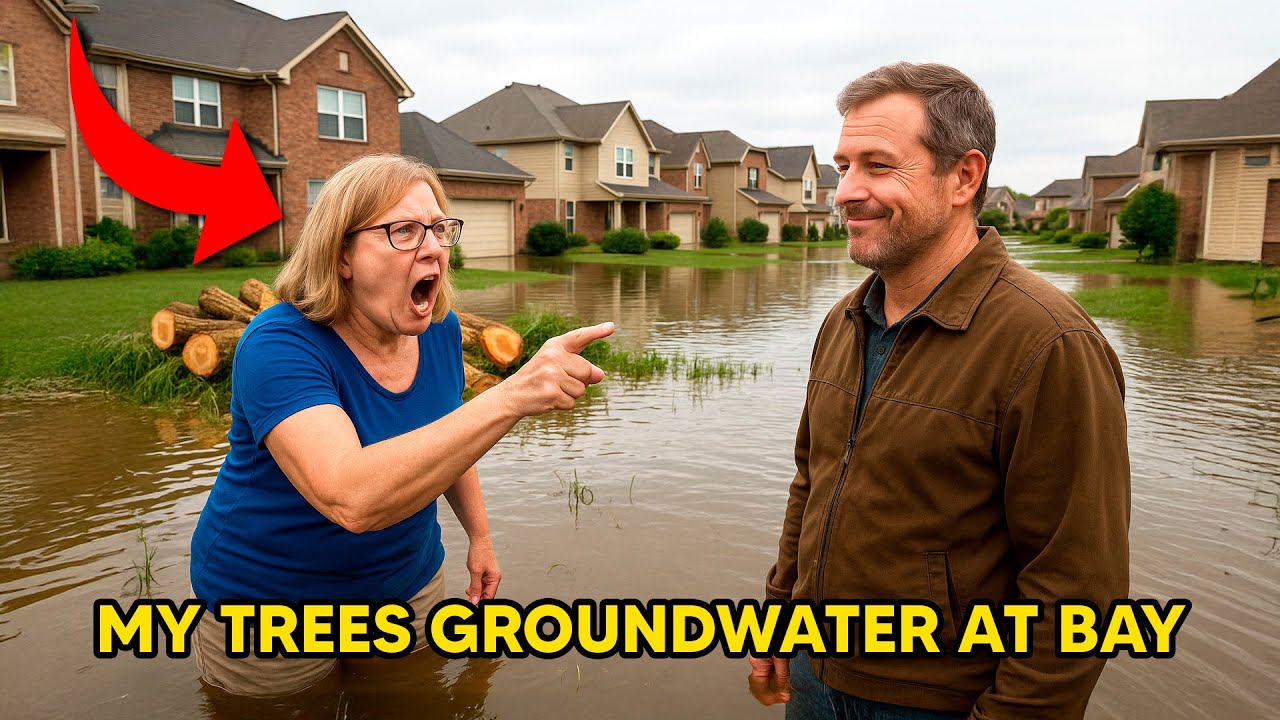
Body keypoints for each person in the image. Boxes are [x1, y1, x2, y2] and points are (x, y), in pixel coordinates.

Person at [751, 63, 1130, 719]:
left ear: (964, 176)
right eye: (844, 166)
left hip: (940, 703)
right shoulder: (844, 321)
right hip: (814, 678)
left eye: (877, 165)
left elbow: (1076, 588)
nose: (845, 192)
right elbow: (810, 486)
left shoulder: (1048, 344)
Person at [188, 153, 614, 697]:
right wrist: (511, 396)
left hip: (405, 587)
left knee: (410, 704)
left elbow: (447, 440)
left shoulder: (438, 329)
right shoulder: (278, 344)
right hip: (269, 606)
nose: (433, 246)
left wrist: (479, 537)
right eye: (404, 231)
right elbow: (351, 499)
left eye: (438, 229)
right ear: (341, 255)